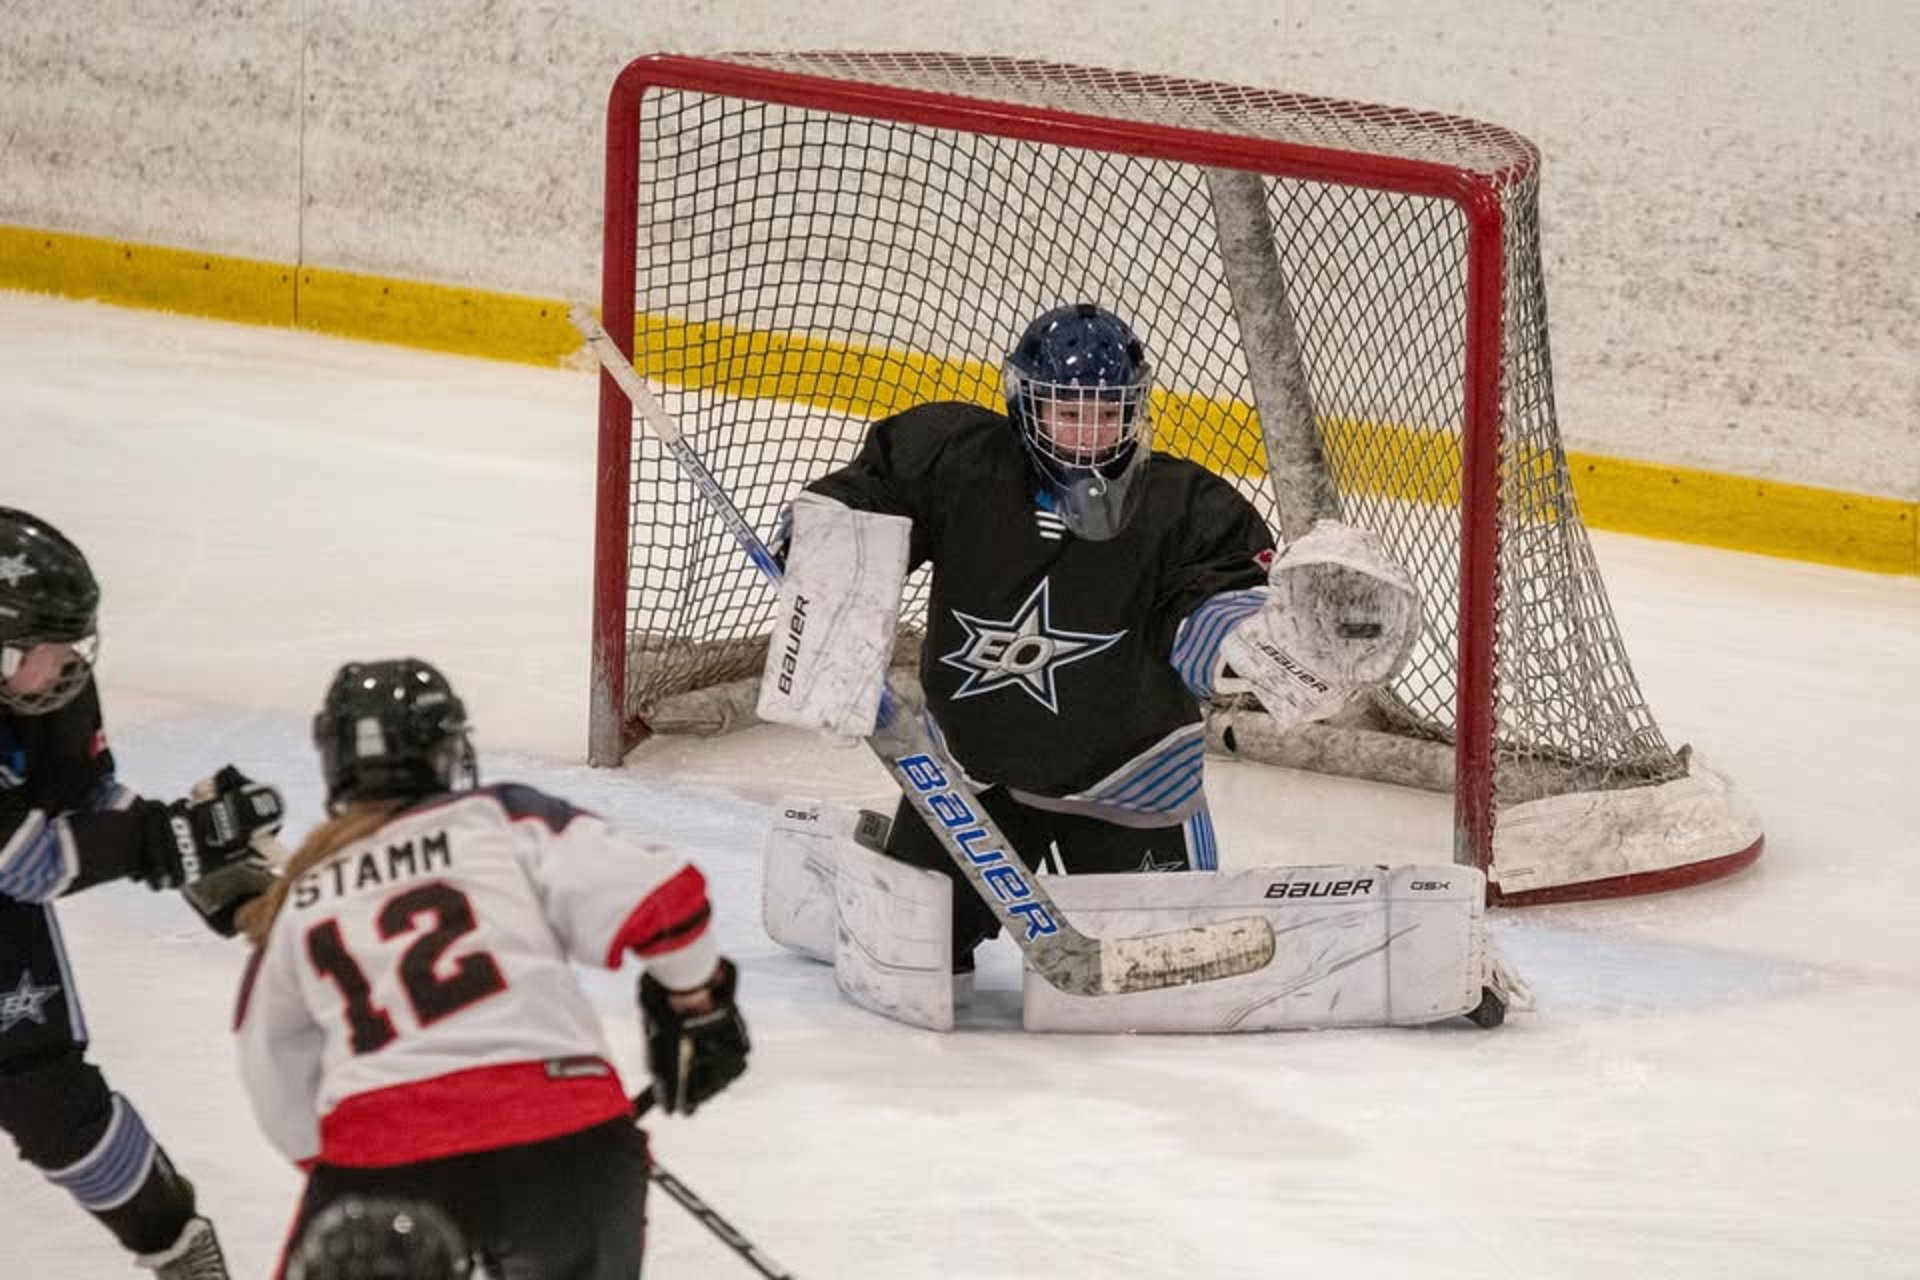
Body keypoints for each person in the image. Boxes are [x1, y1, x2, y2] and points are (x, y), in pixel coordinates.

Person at [767, 302, 1418, 980]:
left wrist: (1257, 646)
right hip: (971, 779)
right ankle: (866, 869)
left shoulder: (1184, 505)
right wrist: (824, 536)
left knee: (1163, 985)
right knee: (909, 959)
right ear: (1026, 405)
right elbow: (874, 498)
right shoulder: (956, 462)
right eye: (1069, 412)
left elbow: (1211, 604)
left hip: (1131, 787)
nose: (1089, 434)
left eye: (1108, 413)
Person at [234, 657, 750, 1280]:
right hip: (564, 1140)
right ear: (447, 746)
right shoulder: (499, 819)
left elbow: (270, 1069)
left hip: (380, 1160)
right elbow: (664, 897)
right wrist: (697, 1004)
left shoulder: (302, 894)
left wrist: (354, 1161)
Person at [0, 506, 285, 1278]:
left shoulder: (48, 688)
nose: (70, 664)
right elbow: (28, 862)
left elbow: (83, 798)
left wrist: (197, 855)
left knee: (48, 1097)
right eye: (53, 648)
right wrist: (176, 840)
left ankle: (178, 1251)